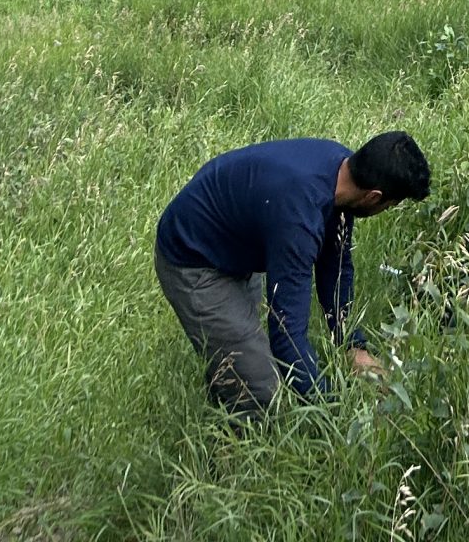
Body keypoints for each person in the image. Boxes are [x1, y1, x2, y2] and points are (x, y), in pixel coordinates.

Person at [154, 130, 431, 413]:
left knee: (242, 360)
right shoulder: (298, 219)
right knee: (262, 389)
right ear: (374, 197)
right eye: (389, 205)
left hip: (234, 240)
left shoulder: (342, 171)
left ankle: (224, 398)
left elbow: (335, 267)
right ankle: (232, 447)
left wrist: (351, 344)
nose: (385, 210)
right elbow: (287, 333)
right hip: (194, 260)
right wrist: (331, 412)